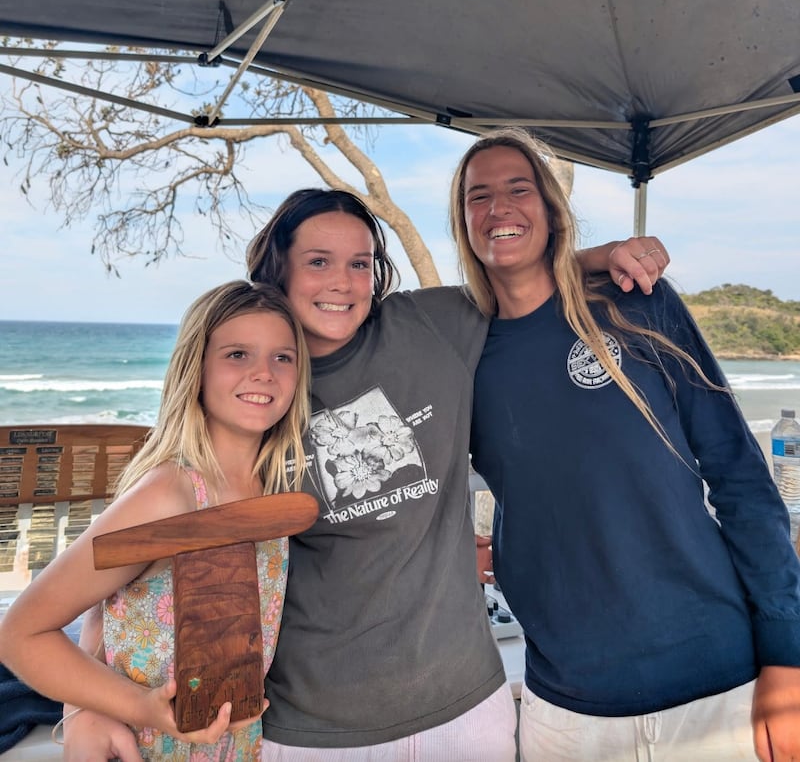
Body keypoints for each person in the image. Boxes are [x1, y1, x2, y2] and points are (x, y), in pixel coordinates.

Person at [60, 188, 667, 761]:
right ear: (278, 272)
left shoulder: (428, 325)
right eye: (318, 261)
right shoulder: (258, 391)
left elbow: (520, 280)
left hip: (464, 706)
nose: (343, 283)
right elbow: (134, 556)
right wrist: (82, 704)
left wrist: (605, 255)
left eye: (360, 263)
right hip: (309, 725)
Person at [448, 127, 800, 762]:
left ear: (552, 211)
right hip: (568, 704)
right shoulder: (460, 351)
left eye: (518, 189)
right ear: (462, 221)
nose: (498, 208)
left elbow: (739, 474)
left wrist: (787, 653)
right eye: (478, 196)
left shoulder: (636, 303)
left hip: (716, 684)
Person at [0, 281, 311, 761]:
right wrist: (129, 708)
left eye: (282, 358)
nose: (263, 374)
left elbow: (105, 605)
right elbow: (22, 632)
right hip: (147, 748)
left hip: (239, 746)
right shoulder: (170, 493)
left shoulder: (275, 487)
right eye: (237, 355)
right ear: (197, 369)